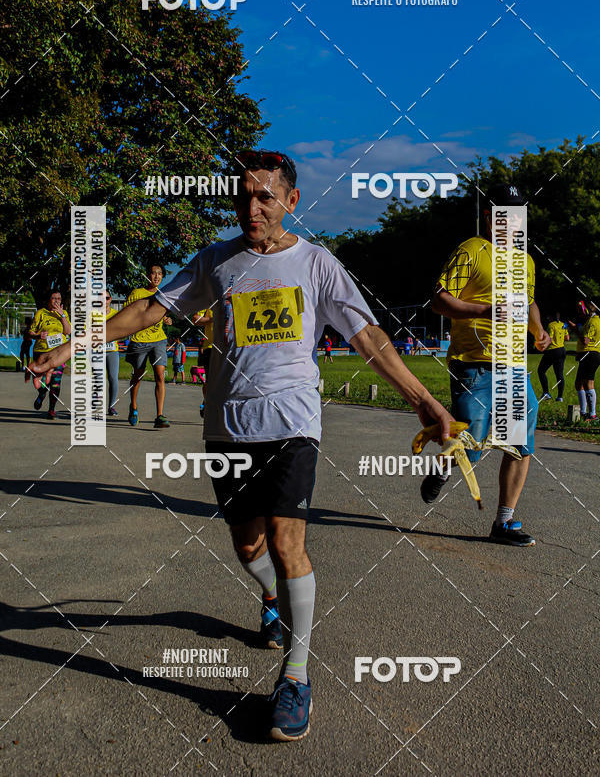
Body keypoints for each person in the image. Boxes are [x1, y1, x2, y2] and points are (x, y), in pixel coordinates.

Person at [32, 147, 451, 743]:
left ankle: (296, 678)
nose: (252, 208)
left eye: (265, 196)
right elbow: (150, 310)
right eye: (244, 196)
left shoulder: (317, 264)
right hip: (228, 427)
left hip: (293, 424)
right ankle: (273, 599)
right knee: (248, 544)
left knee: (285, 543)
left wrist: (424, 401)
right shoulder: (216, 262)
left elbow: (368, 337)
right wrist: (73, 347)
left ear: (291, 200)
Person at [430, 183, 550, 547]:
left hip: (513, 365)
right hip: (474, 364)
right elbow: (439, 299)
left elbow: (528, 302)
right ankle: (444, 469)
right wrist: (485, 310)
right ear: (490, 216)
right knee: (473, 444)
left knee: (519, 444)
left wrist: (539, 329)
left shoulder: (525, 260)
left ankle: (504, 521)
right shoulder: (473, 250)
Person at [124, 263, 172, 428]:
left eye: (160, 274)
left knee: (160, 375)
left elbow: (165, 313)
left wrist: (167, 319)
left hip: (159, 340)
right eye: (153, 273)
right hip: (140, 340)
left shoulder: (163, 294)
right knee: (138, 376)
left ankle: (159, 415)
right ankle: (134, 407)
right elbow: (126, 314)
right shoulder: (137, 293)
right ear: (147, 275)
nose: (156, 276)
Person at [29, 289, 71, 419]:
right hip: (42, 351)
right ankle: (42, 394)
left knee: (56, 382)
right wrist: (38, 335)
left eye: (59, 299)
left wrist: (62, 316)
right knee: (40, 380)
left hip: (59, 353)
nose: (56, 301)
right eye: (54, 298)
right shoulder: (41, 313)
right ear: (49, 300)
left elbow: (68, 331)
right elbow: (30, 332)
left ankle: (51, 409)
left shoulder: (63, 313)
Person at [570, 301, 600, 419]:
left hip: (591, 354)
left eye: (581, 310)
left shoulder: (594, 321)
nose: (580, 313)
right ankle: (583, 412)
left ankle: (592, 414)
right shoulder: (589, 320)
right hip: (585, 354)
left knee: (588, 383)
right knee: (579, 384)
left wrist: (575, 329)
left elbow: (586, 341)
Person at [97, 290, 120, 416]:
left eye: (106, 298)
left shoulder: (116, 314)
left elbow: (123, 331)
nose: (103, 301)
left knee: (113, 378)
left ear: (110, 299)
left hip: (112, 350)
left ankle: (111, 406)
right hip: (97, 351)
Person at [538, 312, 569, 402]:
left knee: (541, 371)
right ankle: (560, 397)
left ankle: (546, 393)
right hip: (562, 350)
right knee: (559, 374)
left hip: (553, 351)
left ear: (551, 316)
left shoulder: (551, 325)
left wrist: (542, 346)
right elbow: (567, 338)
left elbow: (550, 339)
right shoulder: (563, 324)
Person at [192, 308, 214, 417]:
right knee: (211, 381)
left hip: (231, 347)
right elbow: (195, 319)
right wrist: (211, 319)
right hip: (211, 347)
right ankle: (206, 402)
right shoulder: (210, 298)